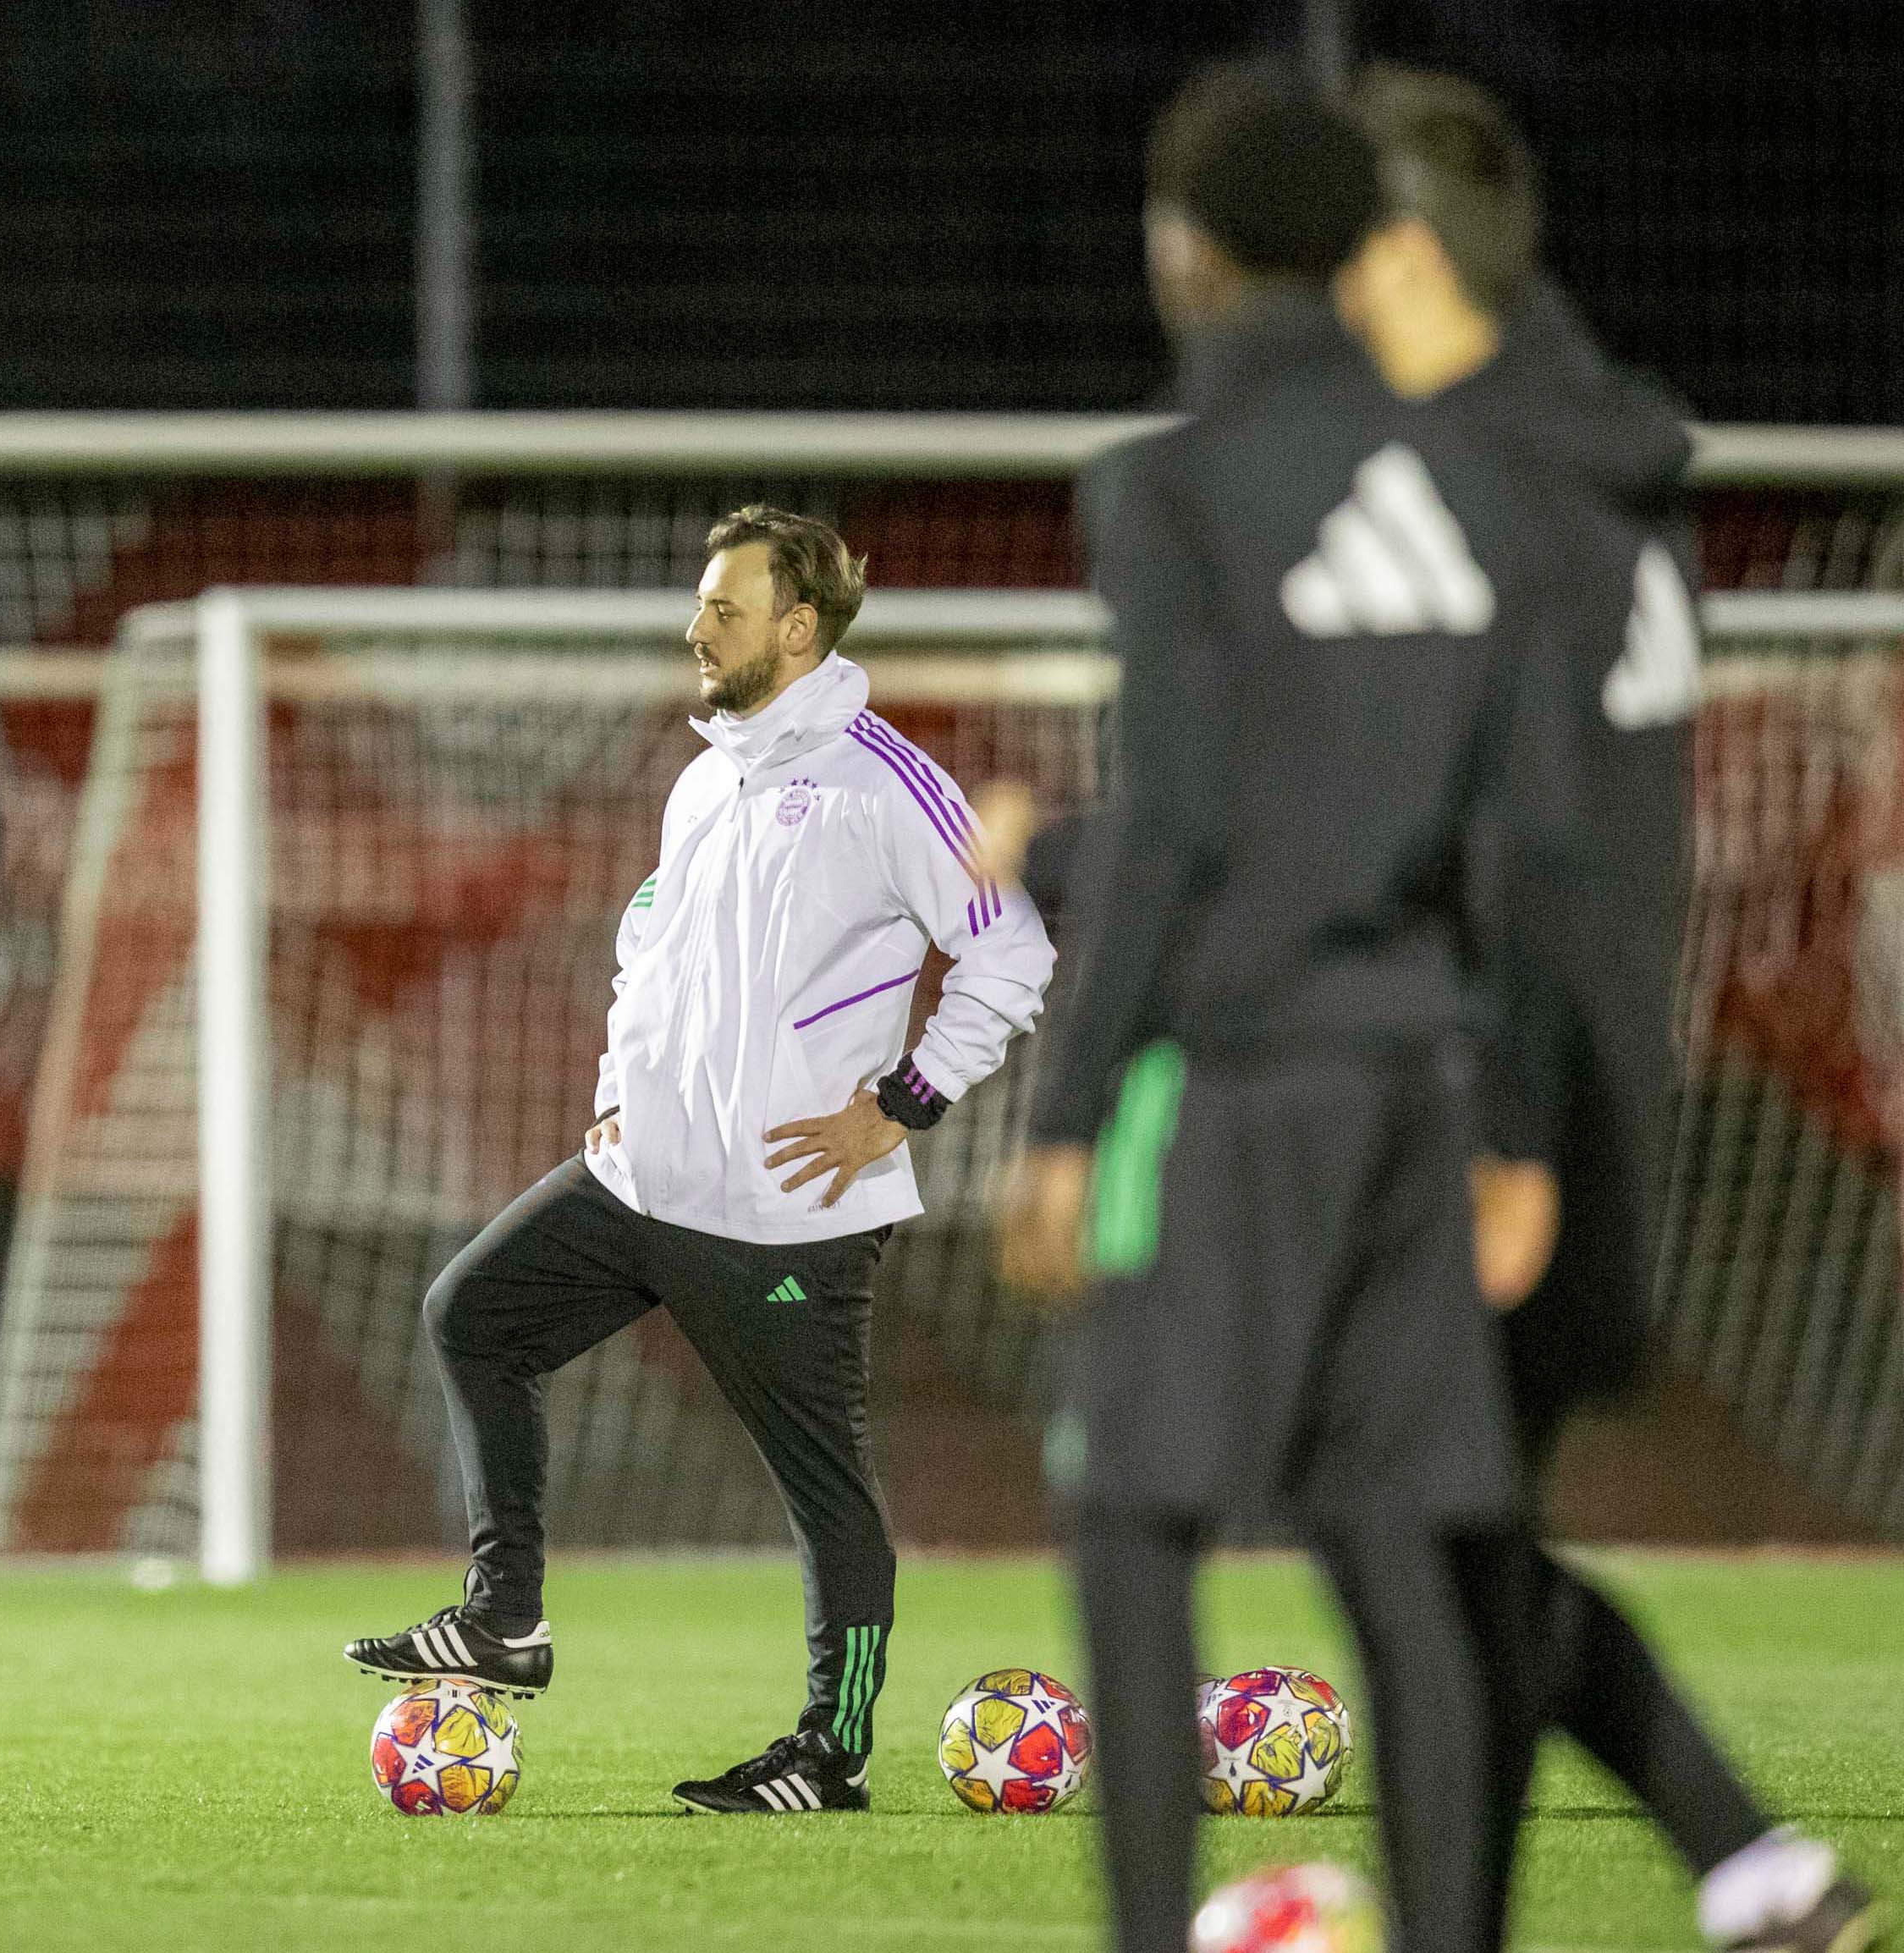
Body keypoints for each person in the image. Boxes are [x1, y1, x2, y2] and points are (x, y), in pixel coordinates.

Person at [993, 67, 1568, 1953]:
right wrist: (1516, 1124)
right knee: (1397, 1537)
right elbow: (1526, 837)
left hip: (1234, 1076)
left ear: (1189, 251)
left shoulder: (1165, 486)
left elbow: (1172, 819)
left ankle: (1153, 1932)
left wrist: (1070, 1114)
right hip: (1415, 1068)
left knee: (1135, 1516)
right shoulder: (1487, 483)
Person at [1340, 63, 1882, 1953]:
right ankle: (1749, 1864)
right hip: (1595, 1103)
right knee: (1453, 1548)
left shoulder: (1473, 499)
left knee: (1410, 1540)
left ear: (1398, 256)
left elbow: (1468, 827)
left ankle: (1732, 1854)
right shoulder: (1604, 468)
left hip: (1499, 1102)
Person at [340, 505, 1056, 1813]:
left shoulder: (882, 778)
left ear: (797, 628)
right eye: (700, 605)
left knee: (821, 1489)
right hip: (642, 1183)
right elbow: (648, 960)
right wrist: (619, 1097)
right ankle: (507, 1621)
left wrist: (902, 1102)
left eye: (723, 610)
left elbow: (1012, 952)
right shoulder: (707, 774)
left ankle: (831, 1755)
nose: (696, 629)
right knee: (473, 1317)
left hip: (788, 1211)